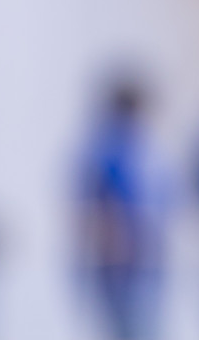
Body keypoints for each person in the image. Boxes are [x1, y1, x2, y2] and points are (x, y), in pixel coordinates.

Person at [77, 77, 166, 340]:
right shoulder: (111, 148)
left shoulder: (139, 146)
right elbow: (101, 205)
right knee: (125, 324)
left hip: (140, 254)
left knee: (138, 323)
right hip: (119, 255)